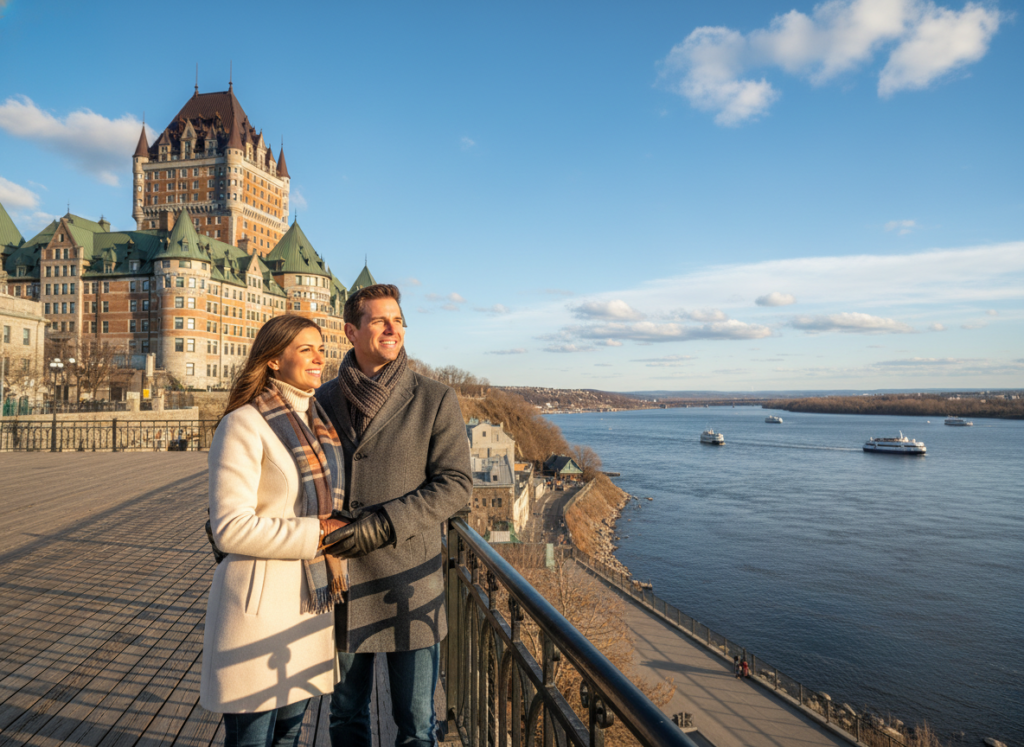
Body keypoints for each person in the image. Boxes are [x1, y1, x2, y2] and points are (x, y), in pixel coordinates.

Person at [315, 284, 472, 747]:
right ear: (351, 331)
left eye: (399, 320)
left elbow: (456, 485)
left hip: (411, 582)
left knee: (417, 722)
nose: (393, 328)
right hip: (342, 579)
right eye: (380, 320)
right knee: (345, 713)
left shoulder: (435, 398)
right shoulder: (322, 398)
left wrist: (385, 524)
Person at [201, 315, 350, 747]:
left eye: (321, 348)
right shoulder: (243, 424)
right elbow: (229, 528)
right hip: (260, 606)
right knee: (252, 738)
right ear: (271, 360)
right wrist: (318, 533)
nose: (319, 358)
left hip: (309, 603)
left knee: (288, 735)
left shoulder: (319, 422)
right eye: (306, 349)